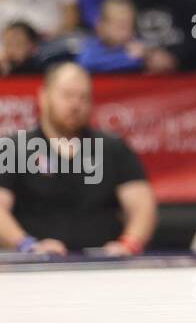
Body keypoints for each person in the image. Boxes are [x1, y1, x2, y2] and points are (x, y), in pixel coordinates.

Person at [0, 62, 156, 255]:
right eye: (67, 95)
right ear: (44, 96)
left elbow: (142, 204)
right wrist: (27, 245)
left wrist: (129, 244)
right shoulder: (14, 149)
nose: (75, 104)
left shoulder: (112, 147)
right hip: (35, 268)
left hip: (105, 269)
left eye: (83, 97)